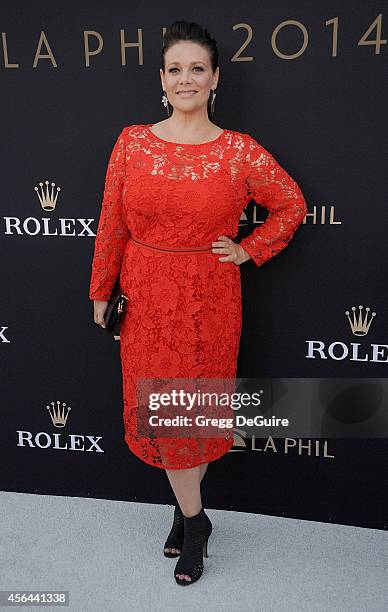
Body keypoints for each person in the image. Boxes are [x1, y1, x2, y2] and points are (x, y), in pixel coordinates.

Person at [89, 20, 307, 586]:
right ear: (161, 79)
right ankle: (194, 516)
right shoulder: (132, 141)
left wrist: (246, 249)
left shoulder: (238, 151)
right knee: (166, 418)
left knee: (194, 415)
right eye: (175, 68)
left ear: (215, 80)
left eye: (198, 68)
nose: (186, 78)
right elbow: (111, 221)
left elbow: (290, 205)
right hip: (145, 290)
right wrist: (101, 289)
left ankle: (192, 520)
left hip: (209, 297)